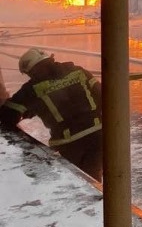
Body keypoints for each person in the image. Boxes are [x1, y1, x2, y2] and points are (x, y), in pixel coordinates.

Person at [0, 48, 103, 181]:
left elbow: (8, 114)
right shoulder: (78, 71)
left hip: (69, 142)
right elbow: (102, 95)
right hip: (98, 134)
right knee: (93, 175)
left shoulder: (32, 89)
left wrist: (31, 109)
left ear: (31, 70)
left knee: (79, 180)